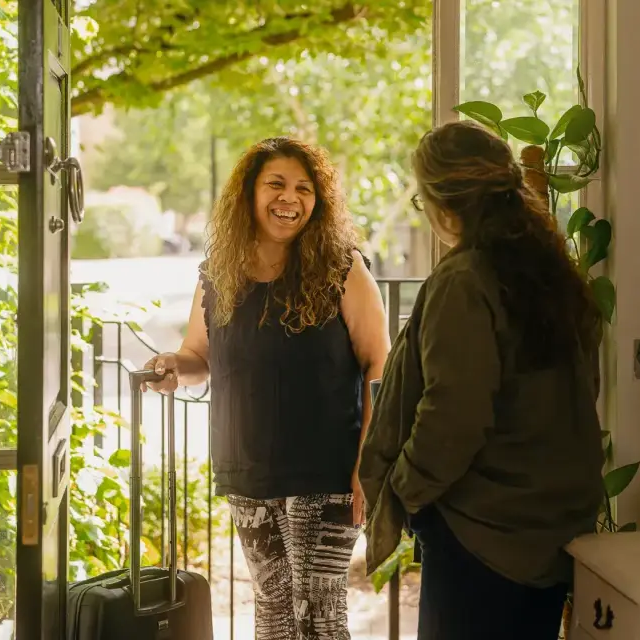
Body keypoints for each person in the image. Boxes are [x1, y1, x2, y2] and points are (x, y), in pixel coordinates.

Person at [358, 121, 605, 640]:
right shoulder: (553, 272)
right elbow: (586, 391)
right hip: (552, 528)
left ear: (442, 203)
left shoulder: (466, 278)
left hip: (480, 533)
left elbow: (454, 415)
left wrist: (407, 490)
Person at [144, 137, 390, 640]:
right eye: (276, 184)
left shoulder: (343, 267)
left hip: (328, 474)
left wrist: (369, 460)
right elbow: (199, 356)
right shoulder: (219, 272)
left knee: (318, 620)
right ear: (249, 194)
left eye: (304, 188)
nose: (290, 198)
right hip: (248, 472)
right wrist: (174, 365)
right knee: (274, 618)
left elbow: (379, 365)